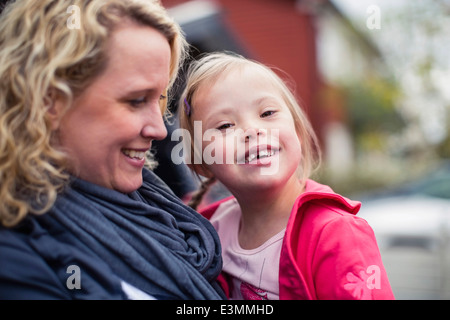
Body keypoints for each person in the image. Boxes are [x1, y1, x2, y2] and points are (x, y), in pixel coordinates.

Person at [0, 0, 225, 300]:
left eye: (158, 100)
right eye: (135, 101)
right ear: (48, 99)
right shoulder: (17, 251)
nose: (159, 130)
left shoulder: (158, 208)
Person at [178, 52, 395, 300]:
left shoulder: (337, 234)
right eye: (225, 126)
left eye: (267, 113)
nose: (252, 130)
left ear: (297, 133)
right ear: (202, 163)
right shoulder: (208, 233)